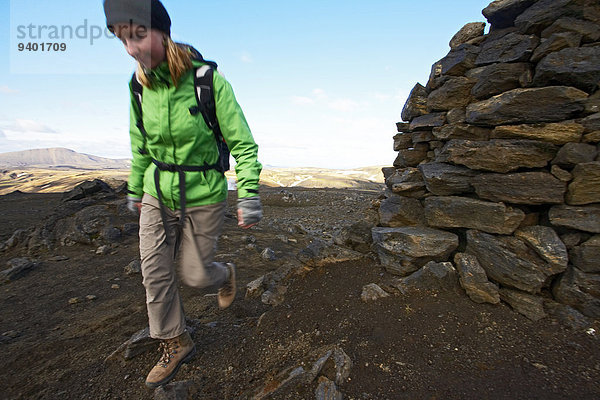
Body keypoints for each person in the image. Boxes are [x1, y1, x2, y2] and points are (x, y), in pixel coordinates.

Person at [103, 0, 262, 388]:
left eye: (138, 35)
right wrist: (136, 188)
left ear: (162, 31)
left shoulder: (207, 81)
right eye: (123, 39)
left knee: (193, 275)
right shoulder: (137, 88)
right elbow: (140, 145)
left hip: (204, 193)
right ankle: (175, 342)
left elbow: (243, 143)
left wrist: (249, 193)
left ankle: (224, 274)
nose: (132, 48)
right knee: (154, 273)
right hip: (158, 191)